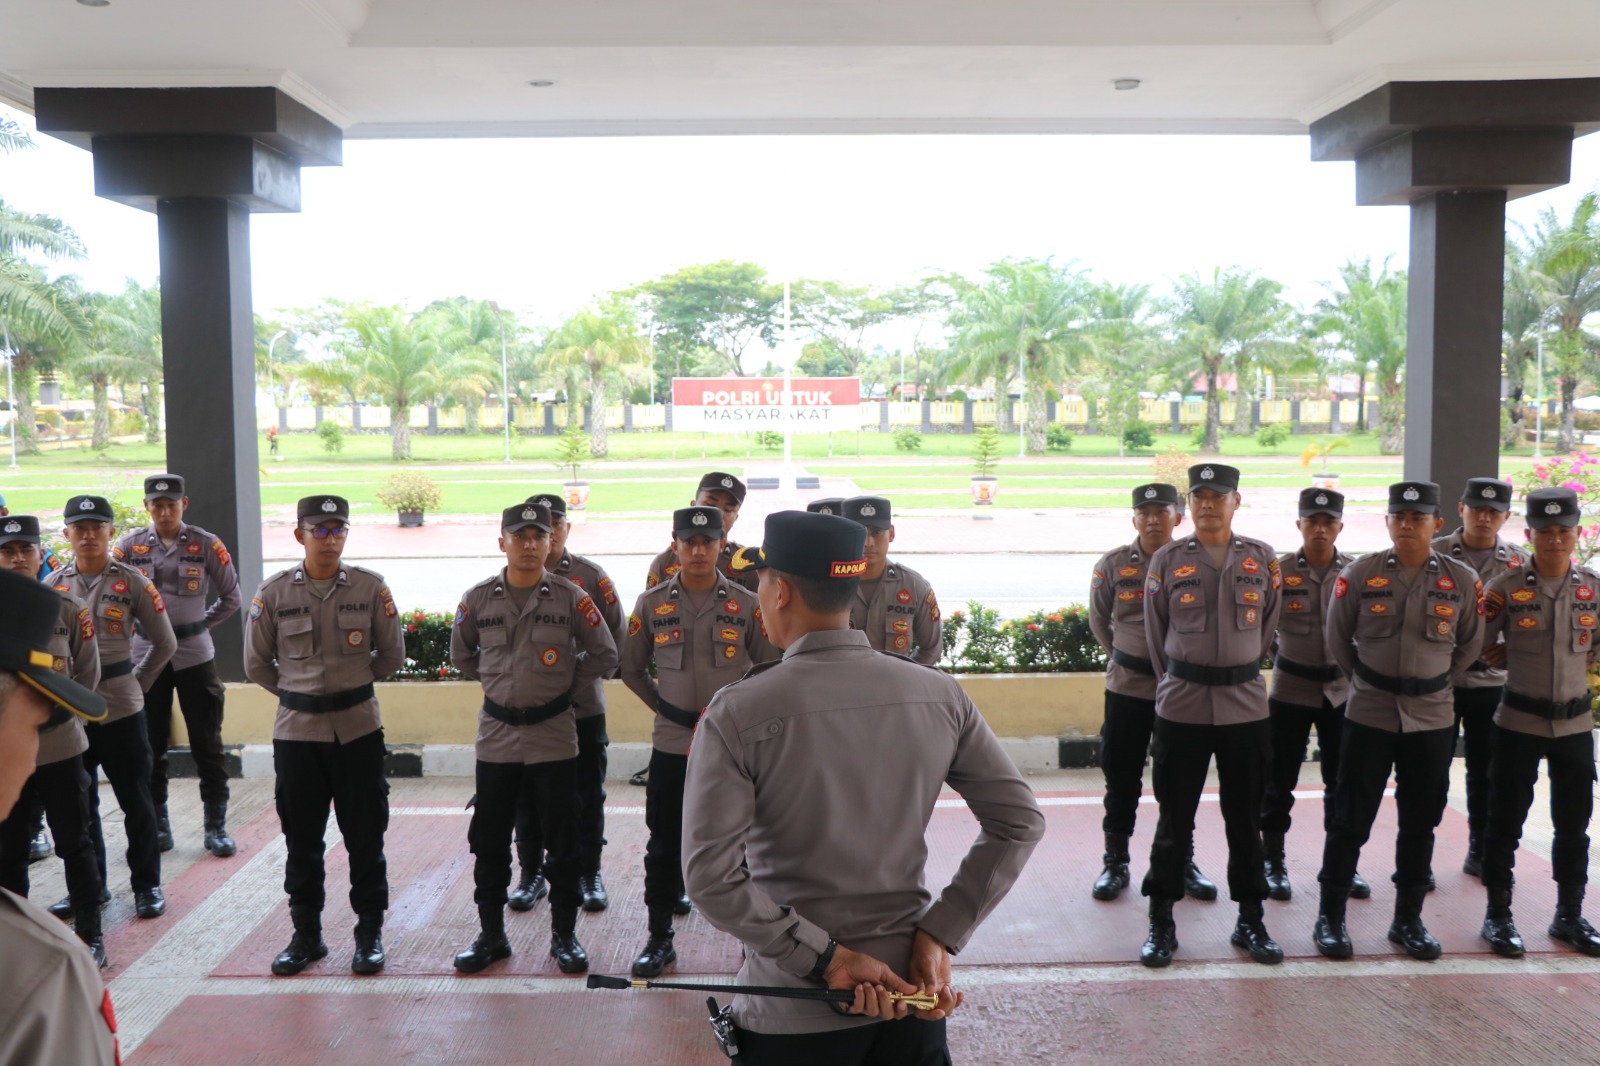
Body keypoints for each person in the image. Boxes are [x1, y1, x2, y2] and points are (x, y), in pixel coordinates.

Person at [683, 511, 1044, 1062]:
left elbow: (710, 879)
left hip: (791, 1013)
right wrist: (941, 932)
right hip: (911, 998)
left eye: (761, 582)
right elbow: (1019, 822)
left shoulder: (739, 712)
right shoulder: (939, 695)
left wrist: (828, 960)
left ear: (780, 592)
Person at [448, 502, 619, 974]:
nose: (528, 545)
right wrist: (500, 682)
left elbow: (605, 652)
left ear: (551, 542)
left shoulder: (570, 596)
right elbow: (463, 655)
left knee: (562, 841)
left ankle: (563, 937)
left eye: (538, 536)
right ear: (501, 541)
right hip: (497, 735)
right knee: (489, 838)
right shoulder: (478, 598)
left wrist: (564, 681)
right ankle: (491, 936)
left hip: (554, 734)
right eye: (519, 536)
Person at [1315, 481, 1483, 960]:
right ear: (1388, 522)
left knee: (1420, 821)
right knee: (1350, 817)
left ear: (1436, 523)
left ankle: (1407, 920)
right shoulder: (1361, 573)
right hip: (1369, 711)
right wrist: (1372, 682)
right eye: (1399, 518)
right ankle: (1330, 917)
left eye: (1418, 518)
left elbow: (1469, 644)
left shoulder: (1462, 579)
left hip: (1431, 718)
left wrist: (1431, 682)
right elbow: (1337, 636)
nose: (1408, 525)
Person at [244, 495, 405, 977]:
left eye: (338, 530)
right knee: (302, 839)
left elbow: (391, 655)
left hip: (357, 730)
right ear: (300, 535)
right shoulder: (272, 594)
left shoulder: (371, 588)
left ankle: (369, 934)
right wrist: (301, 695)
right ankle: (306, 936)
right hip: (298, 735)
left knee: (365, 836)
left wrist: (347, 690)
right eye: (320, 530)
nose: (330, 539)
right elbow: (256, 664)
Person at [622, 505, 777, 979]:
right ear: (675, 544)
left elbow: (771, 666)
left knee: (746, 845)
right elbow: (630, 667)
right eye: (688, 542)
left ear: (720, 547)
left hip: (731, 743)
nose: (697, 550)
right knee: (664, 842)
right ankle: (658, 939)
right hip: (672, 742)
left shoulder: (746, 604)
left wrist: (741, 716)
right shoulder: (651, 604)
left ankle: (755, 945)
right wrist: (665, 709)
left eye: (707, 542)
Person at [1139, 464, 1282, 968]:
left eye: (1217, 496)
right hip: (1183, 705)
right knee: (1174, 817)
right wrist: (1183, 677)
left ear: (1235, 501)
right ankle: (1161, 921)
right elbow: (1156, 637)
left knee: (1246, 819)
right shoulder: (1167, 559)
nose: (1207, 504)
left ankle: (1251, 920)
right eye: (1198, 496)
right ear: (1189, 504)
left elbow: (1267, 629)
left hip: (1245, 704)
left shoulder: (1262, 558)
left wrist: (1234, 668)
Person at [0, 567, 118, 1066]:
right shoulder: (39, 969)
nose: (30, 757)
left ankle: (94, 925)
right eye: (32, 725)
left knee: (78, 841)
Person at [1478, 488, 1600, 958]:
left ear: (1576, 534)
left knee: (1574, 826)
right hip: (1518, 722)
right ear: (1528, 534)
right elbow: (1475, 644)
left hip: (1572, 726)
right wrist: (1497, 656)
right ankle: (1498, 915)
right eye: (1544, 532)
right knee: (1504, 821)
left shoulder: (1592, 587)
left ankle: (1569, 914)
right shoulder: (1504, 589)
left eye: (1563, 531)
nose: (1553, 540)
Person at [1087, 483, 1217, 903]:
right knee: (1121, 776)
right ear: (1134, 519)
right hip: (1127, 687)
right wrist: (1126, 656)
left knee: (1178, 781)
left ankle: (1182, 860)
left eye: (1162, 511)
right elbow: (1099, 622)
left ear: (1178, 517)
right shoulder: (1111, 565)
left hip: (1178, 691)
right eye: (1144, 512)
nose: (1153, 519)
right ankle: (1115, 861)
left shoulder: (1193, 563)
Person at [50, 495, 176, 925]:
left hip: (121, 708)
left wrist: (136, 684)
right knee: (79, 807)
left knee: (136, 802)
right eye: (79, 528)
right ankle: (93, 887)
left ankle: (147, 886)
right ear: (66, 534)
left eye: (96, 527)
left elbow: (165, 643)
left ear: (109, 533)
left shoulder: (134, 582)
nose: (88, 535)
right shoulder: (51, 589)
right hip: (72, 713)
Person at [504, 491, 626, 914]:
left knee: (586, 794)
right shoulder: (509, 580)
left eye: (554, 525)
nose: (545, 535)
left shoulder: (591, 578)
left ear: (566, 529)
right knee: (527, 795)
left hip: (581, 708)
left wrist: (567, 680)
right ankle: (531, 873)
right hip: (528, 716)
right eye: (535, 528)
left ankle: (588, 872)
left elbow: (616, 641)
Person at [114, 473, 242, 859]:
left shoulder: (206, 544)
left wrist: (200, 623)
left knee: (207, 743)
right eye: (157, 505)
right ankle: (158, 823)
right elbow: (111, 597)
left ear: (184, 504)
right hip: (145, 658)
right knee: (148, 745)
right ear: (146, 507)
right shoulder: (129, 546)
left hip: (193, 655)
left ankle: (216, 826)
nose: (165, 511)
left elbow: (232, 597)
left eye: (172, 504)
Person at [0, 516, 105, 965]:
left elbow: (88, 674)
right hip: (6, 756)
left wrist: (52, 710)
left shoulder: (67, 609)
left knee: (75, 842)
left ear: (41, 553)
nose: (18, 558)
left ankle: (91, 934)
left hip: (61, 746)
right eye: (8, 551)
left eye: (26, 550)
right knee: (8, 851)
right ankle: (15, 941)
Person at [1260, 488, 1368, 902]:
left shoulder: (1358, 572)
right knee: (1277, 780)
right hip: (1291, 688)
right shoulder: (1280, 570)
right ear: (1299, 524)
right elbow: (1264, 628)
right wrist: (1283, 658)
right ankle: (1273, 862)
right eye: (1312, 522)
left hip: (1342, 691)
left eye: (1328, 522)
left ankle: (1340, 864)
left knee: (1341, 782)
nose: (1320, 530)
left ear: (1340, 526)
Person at [1432, 477, 1529, 879]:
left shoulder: (1520, 563)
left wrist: (1509, 650)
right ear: (1461, 509)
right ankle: (1421, 852)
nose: (1484, 517)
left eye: (1494, 511)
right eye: (1477, 509)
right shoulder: (1432, 553)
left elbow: (1530, 623)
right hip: (1439, 684)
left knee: (1486, 772)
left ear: (1506, 516)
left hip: (1490, 684)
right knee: (1430, 772)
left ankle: (1480, 848)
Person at [838, 496, 944, 667]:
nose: (868, 543)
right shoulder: (828, 583)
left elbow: (932, 648)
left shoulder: (913, 586)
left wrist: (904, 678)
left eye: (877, 532)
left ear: (892, 534)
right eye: (861, 533)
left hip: (897, 691)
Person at [645, 472, 757, 592]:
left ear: (736, 517)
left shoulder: (746, 565)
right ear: (693, 506)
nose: (718, 514)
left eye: (728, 510)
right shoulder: (664, 563)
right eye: (710, 505)